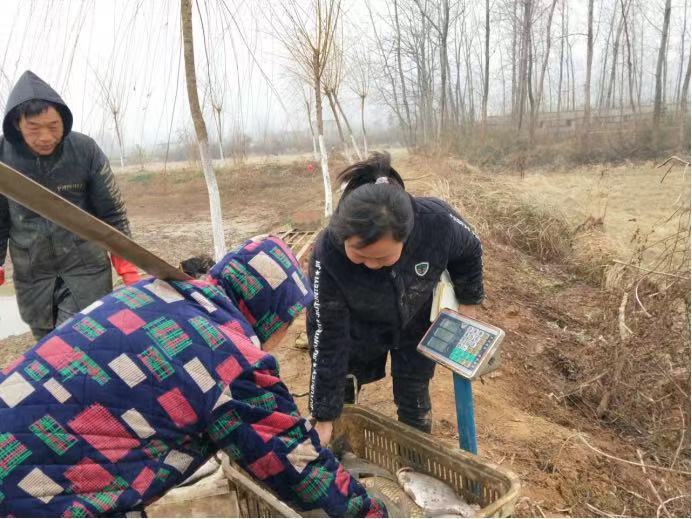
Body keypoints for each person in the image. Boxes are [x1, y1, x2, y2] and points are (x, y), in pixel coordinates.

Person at [0, 235, 386, 518]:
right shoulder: (232, 359)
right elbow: (297, 467)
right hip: (40, 497)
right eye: (289, 318)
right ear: (271, 311)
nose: (284, 334)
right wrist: (371, 514)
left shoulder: (156, 293)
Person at [306, 152, 484, 446]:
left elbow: (470, 249)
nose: (372, 264)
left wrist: (469, 301)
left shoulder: (435, 224)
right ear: (343, 236)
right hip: (356, 326)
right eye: (360, 256)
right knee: (344, 388)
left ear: (406, 235)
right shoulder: (329, 252)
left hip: (415, 318)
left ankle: (414, 453)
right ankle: (338, 445)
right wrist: (323, 415)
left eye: (383, 257)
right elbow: (329, 336)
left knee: (414, 389)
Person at [0, 70, 139, 340]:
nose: (45, 137)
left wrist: (128, 264)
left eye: (53, 126)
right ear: (18, 124)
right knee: (50, 351)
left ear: (63, 120)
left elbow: (111, 212)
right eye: (34, 128)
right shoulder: (3, 156)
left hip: (85, 270)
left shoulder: (84, 150)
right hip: (33, 276)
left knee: (76, 342)